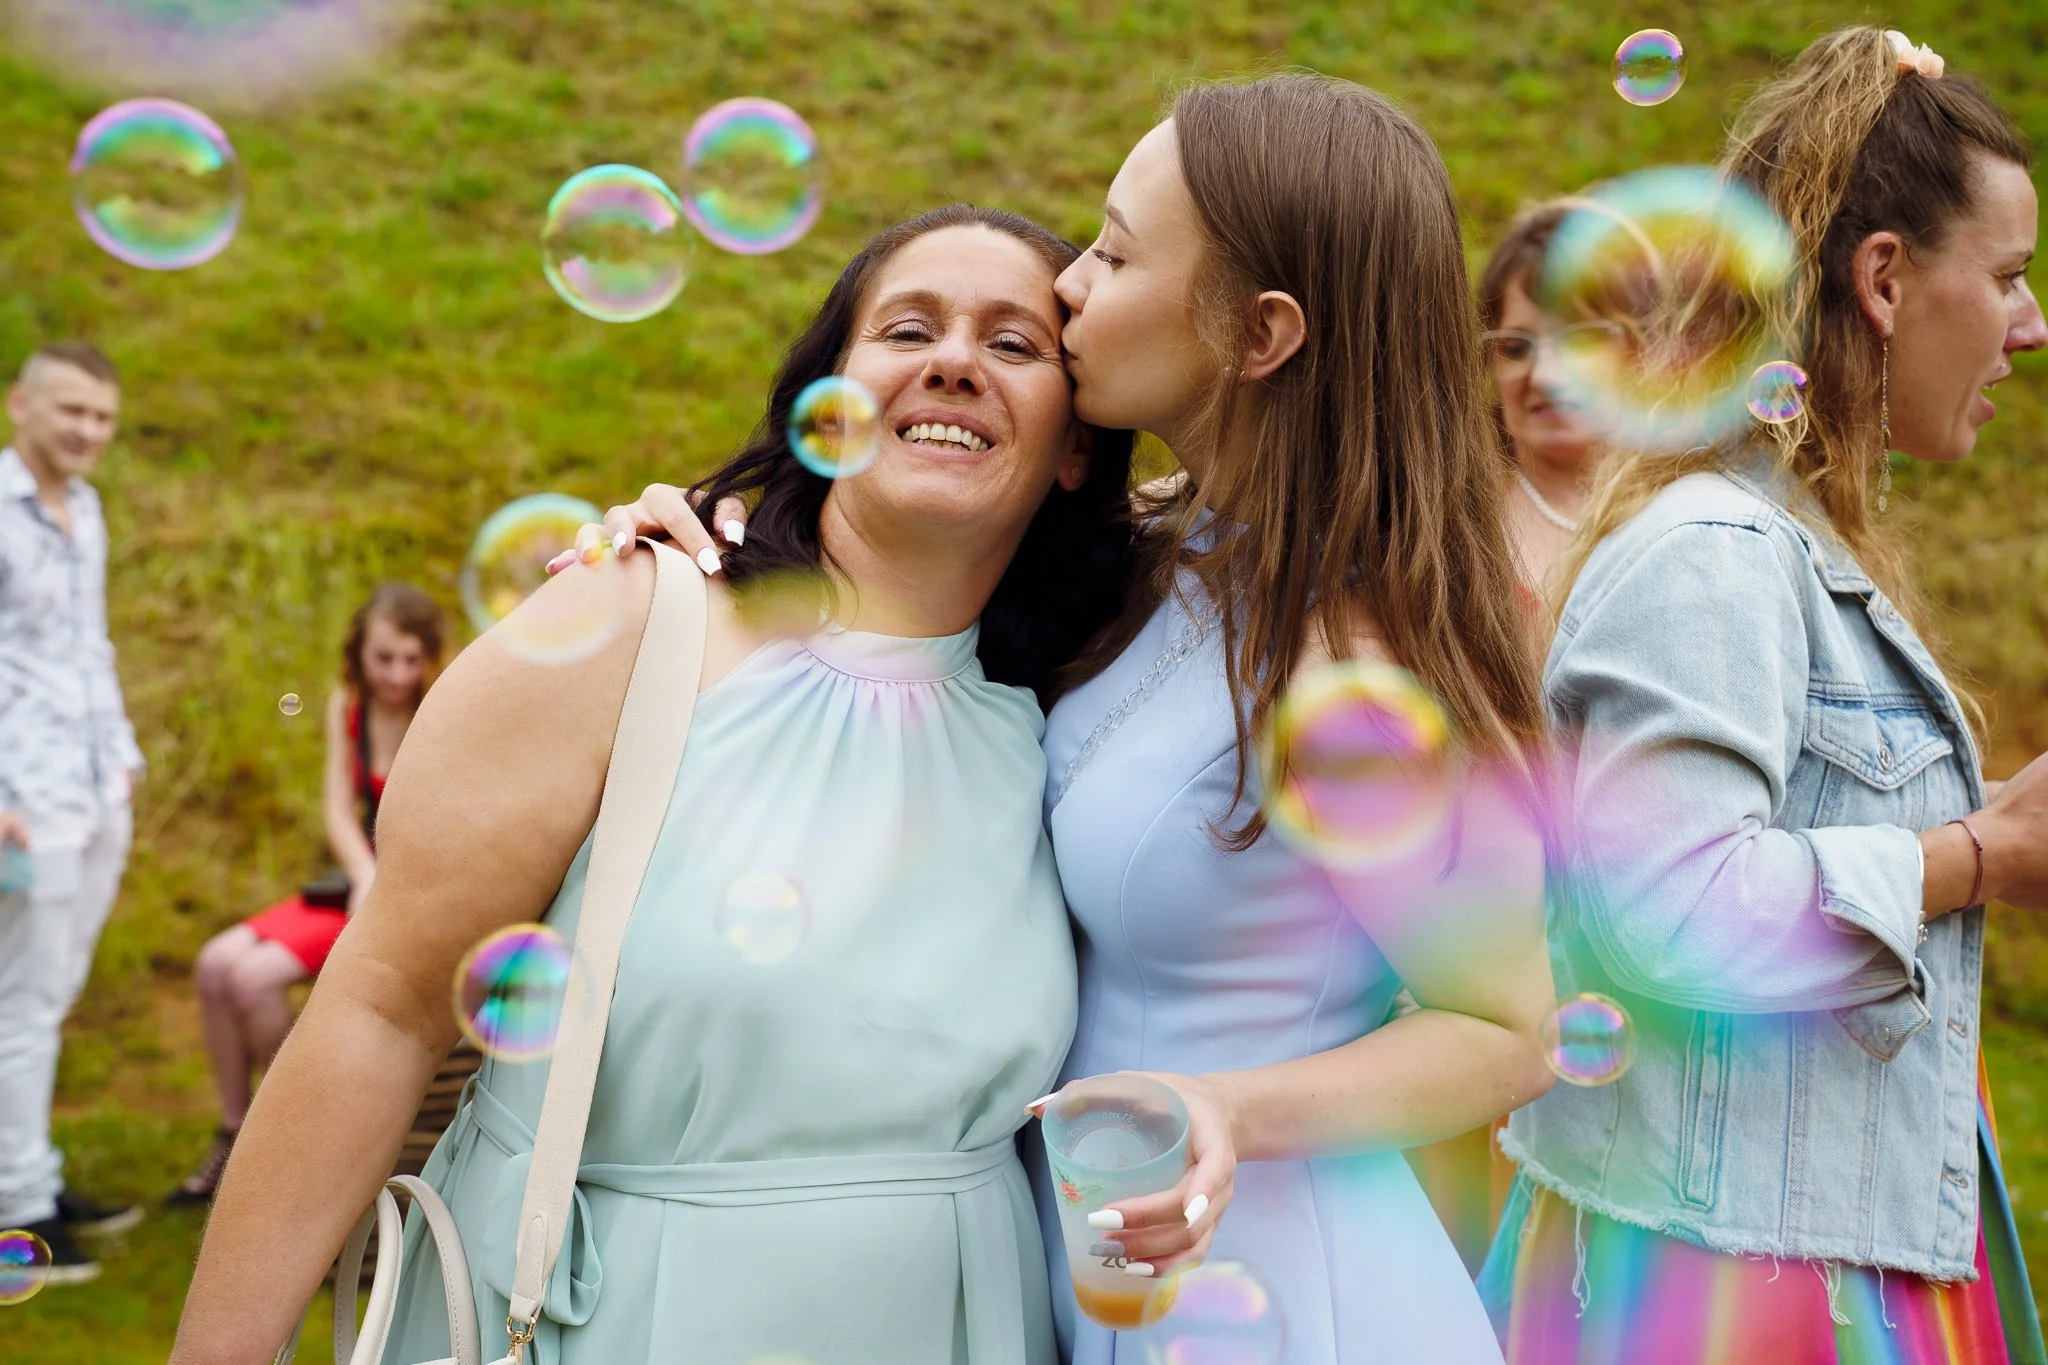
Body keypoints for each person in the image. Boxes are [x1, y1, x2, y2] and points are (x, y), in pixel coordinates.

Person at [610, 72, 1559, 1364]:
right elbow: (893, 566)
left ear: (1257, 331)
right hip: (1119, 1274)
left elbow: (1508, 1030)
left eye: (1114, 254)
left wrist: (1228, 1105)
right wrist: (708, 540)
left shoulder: (1359, 663)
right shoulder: (1162, 550)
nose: (1067, 289)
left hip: (1290, 1293)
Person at [169, 203, 1135, 1365]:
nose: (952, 364)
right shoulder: (630, 616)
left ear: (1075, 442)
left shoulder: (1064, 701)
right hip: (614, 1316)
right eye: (906, 330)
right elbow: (380, 1008)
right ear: (823, 402)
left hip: (956, 1321)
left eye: (1014, 344)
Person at [1480, 27, 2048, 1364]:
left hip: (1815, 1238)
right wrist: (1984, 856)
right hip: (1731, 1294)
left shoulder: (1791, 538)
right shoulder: (1714, 552)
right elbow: (1666, 915)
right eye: (2012, 277)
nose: (2033, 324)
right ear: (1887, 279)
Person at [169, 583, 445, 1206]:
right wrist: (360, 870)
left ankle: (291, 1127)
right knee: (215, 964)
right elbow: (337, 809)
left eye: (410, 659)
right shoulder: (347, 707)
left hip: (406, 889)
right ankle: (234, 1132)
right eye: (383, 658)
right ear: (359, 654)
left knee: (254, 980)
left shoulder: (441, 707)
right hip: (359, 880)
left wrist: (378, 878)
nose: (398, 674)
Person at [0, 341, 147, 1284]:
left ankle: (35, 1178)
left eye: (101, 415)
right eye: (70, 411)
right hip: (26, 809)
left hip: (95, 794)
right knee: (22, 1002)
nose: (88, 430)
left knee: (48, 998)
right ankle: (17, 1207)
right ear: (21, 405)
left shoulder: (84, 510)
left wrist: (123, 754)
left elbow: (85, 646)